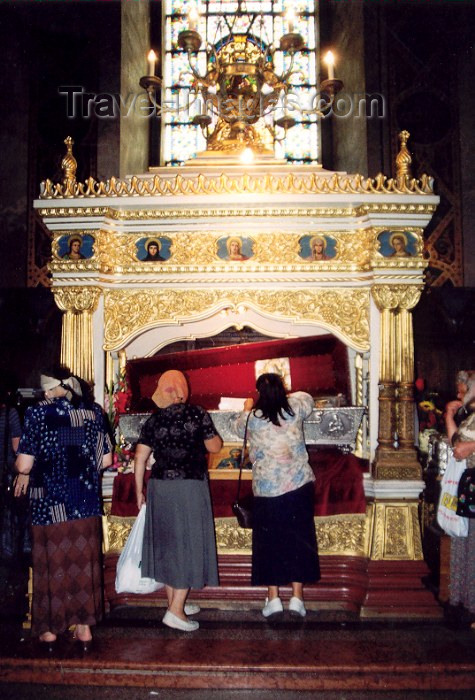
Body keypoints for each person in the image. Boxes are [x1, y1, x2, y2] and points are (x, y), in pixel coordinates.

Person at [14, 367, 113, 650]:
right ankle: (83, 630)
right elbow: (105, 460)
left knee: (51, 564)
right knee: (82, 563)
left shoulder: (37, 413)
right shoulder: (93, 412)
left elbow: (24, 464)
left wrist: (21, 471)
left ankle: (50, 632)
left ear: (47, 389)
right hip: (84, 501)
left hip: (49, 503)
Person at [134, 370, 222, 632]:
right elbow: (214, 447)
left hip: (160, 487)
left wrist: (139, 491)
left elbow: (139, 458)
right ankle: (175, 611)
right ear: (183, 389)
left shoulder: (154, 420)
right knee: (188, 544)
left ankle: (175, 603)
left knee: (170, 545)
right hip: (188, 487)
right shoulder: (196, 414)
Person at [232, 373, 320, 618]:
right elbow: (309, 399)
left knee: (268, 544)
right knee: (299, 540)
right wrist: (284, 395)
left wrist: (248, 407)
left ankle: (273, 599)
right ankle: (297, 599)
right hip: (299, 486)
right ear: (283, 389)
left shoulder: (252, 418)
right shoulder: (296, 408)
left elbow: (235, 428)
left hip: (267, 490)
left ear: (259, 392)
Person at [444, 373, 475, 629]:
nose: (459, 393)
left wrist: (473, 447)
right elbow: (456, 444)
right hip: (470, 484)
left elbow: (466, 446)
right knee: (464, 540)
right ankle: (462, 602)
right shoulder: (471, 416)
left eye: (462, 388)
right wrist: (448, 417)